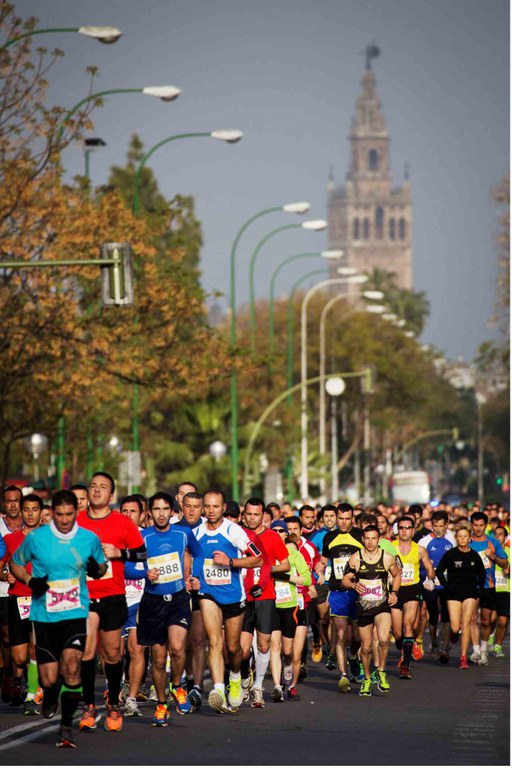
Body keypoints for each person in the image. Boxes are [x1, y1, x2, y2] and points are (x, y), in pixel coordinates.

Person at [10, 489, 107, 748]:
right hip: (44, 616)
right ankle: (50, 692)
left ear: (76, 512)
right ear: (52, 513)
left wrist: (98, 569)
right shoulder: (37, 538)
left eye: (69, 514)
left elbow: (101, 566)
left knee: (73, 666)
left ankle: (66, 727)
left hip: (75, 613)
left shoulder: (88, 538)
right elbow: (15, 564)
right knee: (49, 678)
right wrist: (31, 580)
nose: (64, 520)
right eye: (60, 515)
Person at [78, 472, 146, 733]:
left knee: (112, 655)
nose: (96, 491)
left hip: (113, 595)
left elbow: (141, 552)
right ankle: (88, 706)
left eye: (102, 487)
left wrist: (120, 553)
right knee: (86, 650)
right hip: (84, 595)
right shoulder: (77, 521)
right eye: (93, 486)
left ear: (111, 495)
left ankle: (114, 703)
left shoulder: (122, 523)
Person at [190, 490, 263, 714]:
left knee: (233, 648)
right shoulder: (196, 532)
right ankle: (219, 690)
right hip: (208, 592)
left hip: (233, 596)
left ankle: (234, 676)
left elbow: (258, 557)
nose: (211, 511)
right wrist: (191, 578)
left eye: (216, 507)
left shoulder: (234, 531)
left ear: (223, 508)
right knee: (214, 640)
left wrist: (231, 561)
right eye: (207, 507)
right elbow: (190, 557)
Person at [137, 492, 204, 726]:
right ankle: (162, 704)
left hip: (177, 598)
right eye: (156, 509)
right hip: (152, 602)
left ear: (173, 512)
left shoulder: (183, 533)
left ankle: (177, 686)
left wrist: (195, 577)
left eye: (166, 509)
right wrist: (143, 573)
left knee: (177, 648)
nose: (161, 514)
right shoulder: (142, 537)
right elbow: (127, 567)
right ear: (150, 513)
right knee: (157, 659)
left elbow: (199, 553)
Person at [239, 498, 287, 708]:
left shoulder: (273, 538)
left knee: (263, 644)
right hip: (242, 596)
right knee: (240, 649)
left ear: (263, 517)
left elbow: (284, 565)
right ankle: (242, 680)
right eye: (248, 514)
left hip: (265, 596)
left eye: (256, 514)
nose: (252, 518)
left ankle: (258, 687)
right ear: (244, 515)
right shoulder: (238, 535)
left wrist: (266, 568)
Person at [342, 525, 400, 696]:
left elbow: (397, 574)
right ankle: (367, 678)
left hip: (382, 606)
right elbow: (345, 580)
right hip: (363, 607)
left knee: (383, 639)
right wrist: (353, 585)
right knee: (366, 647)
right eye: (367, 538)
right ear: (363, 539)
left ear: (379, 539)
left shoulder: (387, 558)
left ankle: (381, 670)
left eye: (373, 538)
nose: (370, 542)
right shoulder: (355, 559)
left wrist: (395, 592)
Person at [0, 493, 44, 713]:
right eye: (26, 509)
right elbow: (2, 568)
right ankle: (28, 683)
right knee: (19, 656)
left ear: (40, 512)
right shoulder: (10, 540)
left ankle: (31, 693)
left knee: (36, 648)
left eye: (35, 509)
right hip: (17, 599)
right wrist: (5, 575)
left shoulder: (49, 539)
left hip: (41, 599)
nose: (30, 513)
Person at [319, 503, 363, 692]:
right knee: (340, 633)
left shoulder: (360, 536)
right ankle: (343, 674)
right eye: (340, 519)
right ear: (336, 518)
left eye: (347, 519)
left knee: (356, 637)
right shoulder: (329, 537)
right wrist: (319, 567)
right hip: (337, 591)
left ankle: (353, 656)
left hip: (357, 591)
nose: (343, 522)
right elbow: (324, 559)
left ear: (352, 518)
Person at [435, 524, 487, 669]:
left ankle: (463, 657)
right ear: (456, 538)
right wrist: (446, 585)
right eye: (460, 536)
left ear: (469, 538)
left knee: (466, 624)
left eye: (465, 536)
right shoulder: (451, 554)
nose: (462, 539)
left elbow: (482, 573)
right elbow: (439, 571)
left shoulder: (474, 555)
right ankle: (453, 634)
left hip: (470, 592)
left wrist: (480, 588)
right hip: (453, 592)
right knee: (455, 626)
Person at [270, 527, 311, 701]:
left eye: (281, 531)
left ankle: (289, 671)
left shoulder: (294, 556)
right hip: (271, 605)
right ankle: (277, 687)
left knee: (289, 651)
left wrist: (287, 578)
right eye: (274, 531)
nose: (278, 534)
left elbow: (308, 579)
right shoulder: (267, 554)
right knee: (274, 646)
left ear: (285, 535)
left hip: (291, 605)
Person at [391, 515, 434, 679]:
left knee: (408, 626)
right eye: (401, 528)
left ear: (413, 530)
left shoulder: (420, 550)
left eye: (407, 528)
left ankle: (405, 665)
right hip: (395, 590)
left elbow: (429, 567)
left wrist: (430, 579)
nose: (404, 531)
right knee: (397, 633)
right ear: (398, 530)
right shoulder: (390, 548)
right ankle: (402, 645)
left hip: (412, 589)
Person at [176, 491, 207, 710]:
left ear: (202, 508)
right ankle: (185, 678)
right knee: (181, 644)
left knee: (197, 640)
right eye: (188, 506)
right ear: (182, 506)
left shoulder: (207, 530)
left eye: (197, 506)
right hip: (178, 591)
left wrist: (199, 580)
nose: (192, 510)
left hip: (202, 591)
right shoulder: (174, 529)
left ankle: (197, 685)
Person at [119, 495, 147, 716]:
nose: (128, 516)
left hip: (139, 600)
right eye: (124, 511)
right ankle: (116, 686)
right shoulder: (112, 539)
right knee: (114, 653)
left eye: (133, 512)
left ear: (142, 515)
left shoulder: (148, 539)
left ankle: (131, 699)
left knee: (136, 649)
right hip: (116, 600)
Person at [468, 511, 508, 665]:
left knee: (485, 621)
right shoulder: (467, 541)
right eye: (475, 525)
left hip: (488, 585)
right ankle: (476, 650)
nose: (478, 528)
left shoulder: (493, 542)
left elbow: (505, 564)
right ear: (472, 525)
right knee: (471, 618)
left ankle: (484, 649)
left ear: (486, 526)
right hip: (470, 586)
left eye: (481, 525)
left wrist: (493, 557)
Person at [418, 511, 455, 663]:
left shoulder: (452, 540)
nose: (438, 529)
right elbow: (419, 564)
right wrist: (425, 577)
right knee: (433, 615)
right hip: (430, 583)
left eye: (441, 526)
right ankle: (434, 642)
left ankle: (445, 647)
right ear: (431, 525)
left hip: (447, 583)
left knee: (446, 614)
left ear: (446, 525)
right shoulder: (424, 542)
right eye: (435, 526)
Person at [0, 484, 23, 703]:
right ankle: (9, 675)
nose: (13, 504)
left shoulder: (29, 525)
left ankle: (18, 680)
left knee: (19, 637)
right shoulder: (0, 527)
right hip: (3, 589)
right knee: (7, 638)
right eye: (9, 500)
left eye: (16, 500)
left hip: (24, 591)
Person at [309, 505, 337, 663]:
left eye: (332, 516)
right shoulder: (317, 535)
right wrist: (317, 570)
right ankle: (327, 645)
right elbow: (309, 557)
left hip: (339, 582)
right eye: (326, 516)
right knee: (325, 619)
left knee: (336, 618)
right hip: (322, 581)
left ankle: (334, 649)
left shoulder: (343, 534)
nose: (329, 519)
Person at [490, 526, 509, 657]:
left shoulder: (509, 552)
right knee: (490, 619)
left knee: (503, 621)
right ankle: (490, 635)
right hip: (491, 588)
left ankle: (498, 646)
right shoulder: (488, 551)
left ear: (505, 537)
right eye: (495, 535)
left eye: (500, 535)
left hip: (506, 590)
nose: (497, 537)